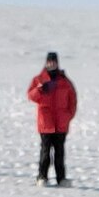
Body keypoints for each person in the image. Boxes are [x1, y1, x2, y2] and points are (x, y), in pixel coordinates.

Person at [27, 50, 76, 186]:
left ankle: (61, 179)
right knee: (45, 152)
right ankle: (42, 177)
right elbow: (31, 96)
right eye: (49, 62)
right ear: (46, 63)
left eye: (53, 62)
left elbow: (73, 100)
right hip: (46, 123)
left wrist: (68, 116)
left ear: (57, 63)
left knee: (59, 153)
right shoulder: (39, 79)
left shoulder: (64, 81)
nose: (51, 64)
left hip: (61, 123)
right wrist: (39, 90)